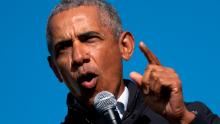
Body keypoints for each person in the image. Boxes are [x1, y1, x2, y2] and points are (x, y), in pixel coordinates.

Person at [46, 0, 220, 123]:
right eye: (64, 48)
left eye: (90, 39)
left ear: (125, 46)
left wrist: (183, 120)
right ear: (55, 70)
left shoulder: (188, 117)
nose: (78, 57)